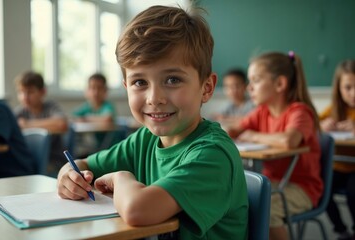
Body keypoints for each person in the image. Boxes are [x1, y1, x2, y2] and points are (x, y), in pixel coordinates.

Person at [57, 5, 248, 240]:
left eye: (172, 79)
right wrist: (68, 174)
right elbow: (83, 164)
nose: (154, 98)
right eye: (140, 82)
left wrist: (121, 178)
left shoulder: (212, 155)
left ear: (206, 88)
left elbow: (138, 210)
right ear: (127, 87)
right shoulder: (146, 138)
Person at [227, 51, 322, 240]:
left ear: (280, 84)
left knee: (266, 210)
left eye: (256, 80)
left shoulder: (300, 111)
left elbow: (289, 140)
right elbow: (234, 130)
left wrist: (254, 136)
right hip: (271, 183)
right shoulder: (261, 111)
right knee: (233, 202)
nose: (249, 87)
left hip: (302, 188)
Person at [319, 59, 355, 240]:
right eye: (348, 87)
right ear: (339, 89)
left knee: (353, 192)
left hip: (353, 170)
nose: (353, 93)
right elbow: (314, 124)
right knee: (320, 190)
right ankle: (341, 231)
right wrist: (323, 124)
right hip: (337, 167)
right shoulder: (334, 108)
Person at [14, 70, 69, 174]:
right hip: (31, 160)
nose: (25, 97)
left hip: (54, 161)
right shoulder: (19, 112)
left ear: (42, 92)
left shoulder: (50, 107)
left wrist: (27, 124)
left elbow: (61, 124)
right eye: (21, 92)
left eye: (30, 92)